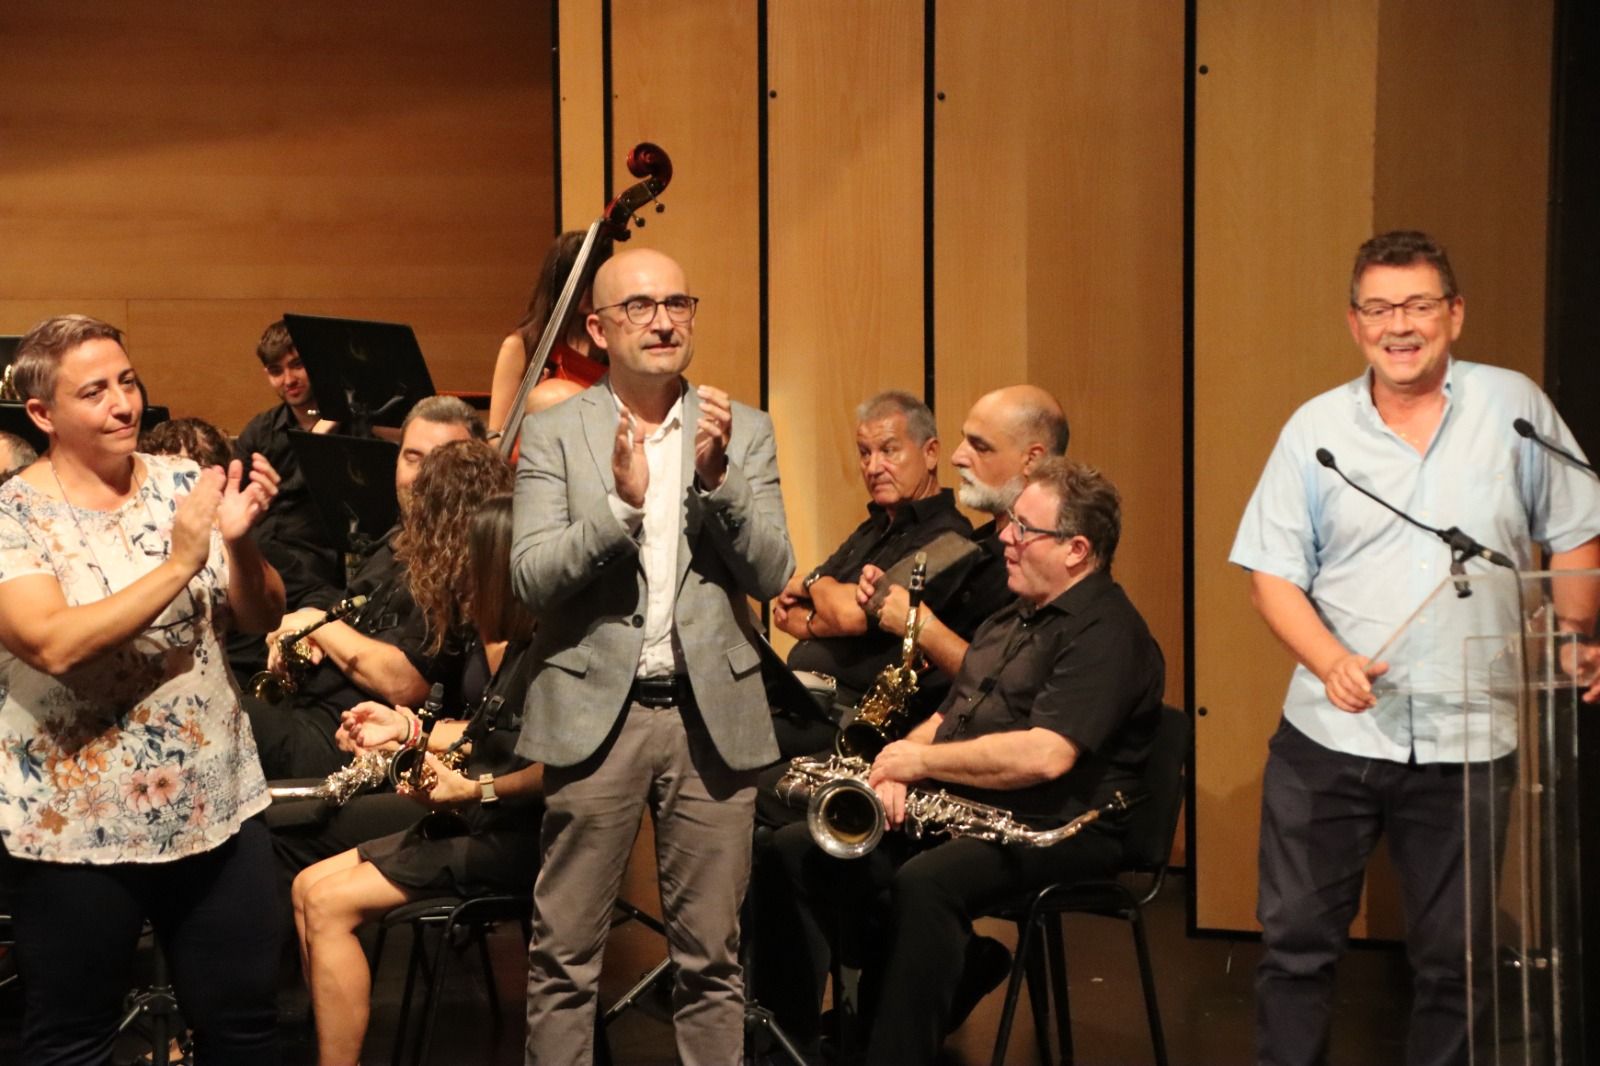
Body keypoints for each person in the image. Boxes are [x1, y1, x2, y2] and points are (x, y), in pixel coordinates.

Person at [1230, 230, 1600, 1066]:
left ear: (1455, 314)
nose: (1400, 326)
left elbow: (1578, 531)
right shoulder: (1315, 429)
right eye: (1380, 308)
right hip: (1332, 736)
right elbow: (1271, 576)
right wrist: (1330, 661)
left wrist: (1574, 630)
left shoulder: (1515, 409)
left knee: (1455, 966)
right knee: (1295, 953)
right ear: (1355, 324)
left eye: (1418, 305)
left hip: (1472, 735)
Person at [769, 458, 1164, 1064]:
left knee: (925, 885)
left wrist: (923, 767)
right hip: (975, 803)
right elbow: (951, 715)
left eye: (1024, 529)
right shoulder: (1012, 616)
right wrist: (895, 767)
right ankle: (785, 1045)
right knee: (794, 851)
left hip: (1063, 824)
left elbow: (1046, 755)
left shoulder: (1106, 632)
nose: (1004, 536)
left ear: (1076, 550)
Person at [512, 246, 793, 1065]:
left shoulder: (742, 428)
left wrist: (720, 482)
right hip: (595, 714)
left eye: (678, 302)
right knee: (565, 957)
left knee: (713, 958)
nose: (664, 320)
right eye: (640, 307)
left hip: (712, 718)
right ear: (598, 329)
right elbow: (531, 578)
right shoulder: (556, 431)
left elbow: (774, 572)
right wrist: (618, 511)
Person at [0, 314, 286, 1065]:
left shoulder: (183, 485)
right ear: (43, 414)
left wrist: (239, 540)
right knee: (72, 1043)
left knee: (246, 1031)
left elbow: (261, 613)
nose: (124, 404)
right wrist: (183, 561)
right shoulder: (11, 515)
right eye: (93, 392)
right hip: (76, 829)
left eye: (127, 382)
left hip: (214, 808)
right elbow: (53, 642)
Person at [291, 494, 543, 1066]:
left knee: (330, 906)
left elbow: (562, 772)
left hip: (519, 843)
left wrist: (474, 789)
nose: (462, 588)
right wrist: (402, 729)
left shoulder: (555, 652)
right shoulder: (513, 645)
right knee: (307, 887)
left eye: (474, 573)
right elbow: (480, 736)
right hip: (479, 824)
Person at [245, 397, 488, 782]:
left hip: (356, 740)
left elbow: (406, 683)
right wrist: (303, 643)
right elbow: (349, 619)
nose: (423, 476)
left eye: (442, 461)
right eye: (412, 457)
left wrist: (315, 623)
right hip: (308, 711)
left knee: (214, 712)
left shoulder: (463, 562)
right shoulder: (397, 536)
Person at [856, 383, 1068, 680]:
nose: (956, 457)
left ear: (1031, 459)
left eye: (980, 446)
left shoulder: (1047, 564)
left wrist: (917, 624)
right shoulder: (969, 543)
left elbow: (1007, 683)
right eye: (963, 441)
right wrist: (886, 593)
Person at [235, 319, 344, 595]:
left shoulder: (351, 428)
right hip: (261, 559)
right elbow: (234, 504)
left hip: (313, 568)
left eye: (297, 365)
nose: (289, 380)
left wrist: (320, 434)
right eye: (276, 371)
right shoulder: (260, 431)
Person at [487, 230, 612, 442]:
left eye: (598, 280)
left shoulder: (613, 346)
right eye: (585, 281)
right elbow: (494, 436)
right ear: (561, 284)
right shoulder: (521, 346)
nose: (593, 290)